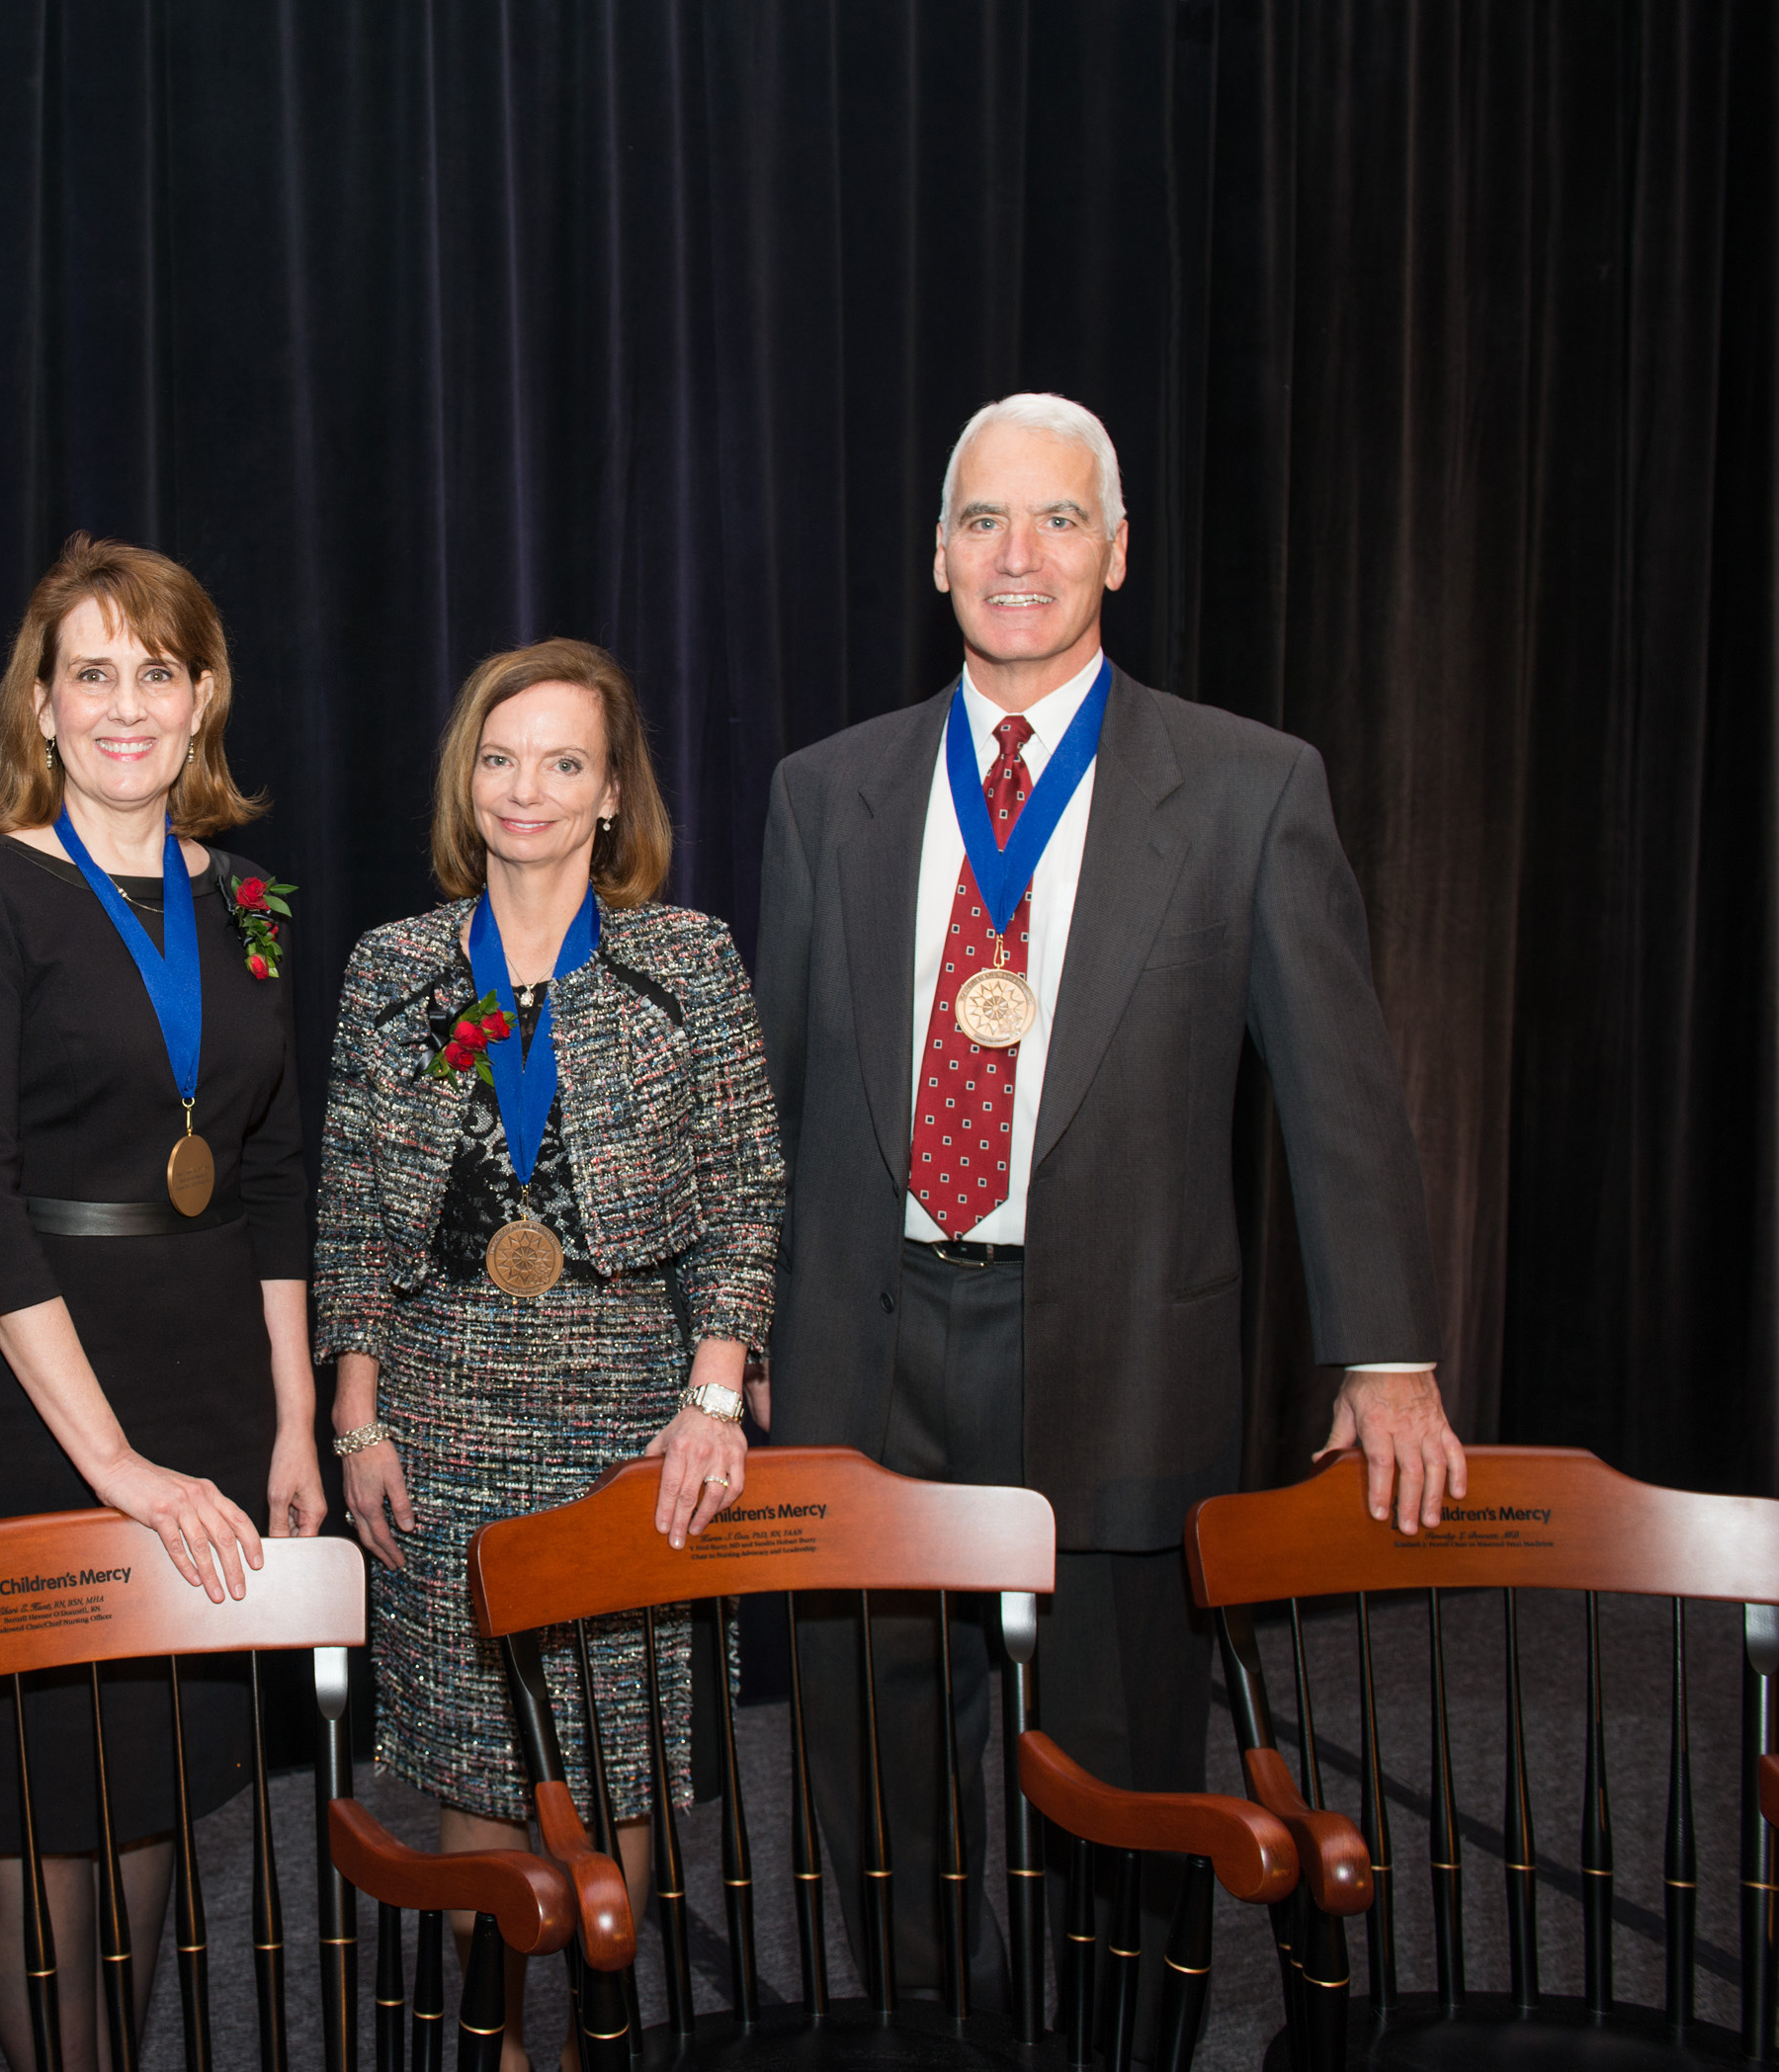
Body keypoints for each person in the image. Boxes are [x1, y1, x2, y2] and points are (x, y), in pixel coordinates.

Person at [756, 393, 1467, 2025]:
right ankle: (936, 2043)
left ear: (1118, 552)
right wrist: (738, 1343)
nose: (1022, 556)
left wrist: (1387, 1352)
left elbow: (1337, 1091)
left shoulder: (1249, 787)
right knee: (879, 1797)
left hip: (1122, 1348)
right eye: (988, 523)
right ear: (937, 557)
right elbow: (777, 1095)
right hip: (863, 1351)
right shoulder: (826, 791)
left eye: (1060, 521)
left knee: (1126, 1788)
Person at [314, 638, 784, 2062]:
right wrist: (355, 1419)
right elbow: (347, 1212)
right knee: (475, 1760)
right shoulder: (395, 968)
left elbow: (747, 1192)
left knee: (617, 1761)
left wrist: (716, 1399)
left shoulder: (685, 960)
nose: (527, 788)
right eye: (502, 757)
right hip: (442, 1422)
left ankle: (587, 2033)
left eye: (563, 761)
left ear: (611, 793)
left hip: (632, 1427)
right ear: (471, 778)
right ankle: (494, 2043)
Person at [0, 533, 326, 2072]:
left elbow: (276, 1178)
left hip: (212, 1394)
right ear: (45, 701)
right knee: (34, 1812)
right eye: (93, 673)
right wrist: (116, 1468)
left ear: (205, 696)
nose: (126, 704)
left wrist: (292, 1421)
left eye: (158, 671)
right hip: (31, 1412)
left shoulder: (260, 906)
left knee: (154, 1791)